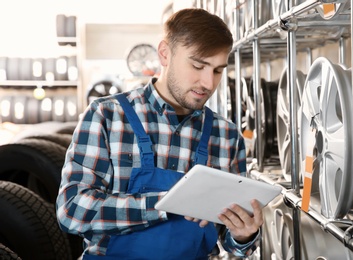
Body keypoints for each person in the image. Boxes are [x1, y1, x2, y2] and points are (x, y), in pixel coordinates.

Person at [56, 8, 263, 259]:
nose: (209, 83)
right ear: (165, 54)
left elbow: (230, 240)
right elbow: (72, 210)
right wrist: (167, 205)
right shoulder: (106, 116)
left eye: (218, 70)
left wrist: (243, 235)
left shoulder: (226, 136)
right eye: (198, 65)